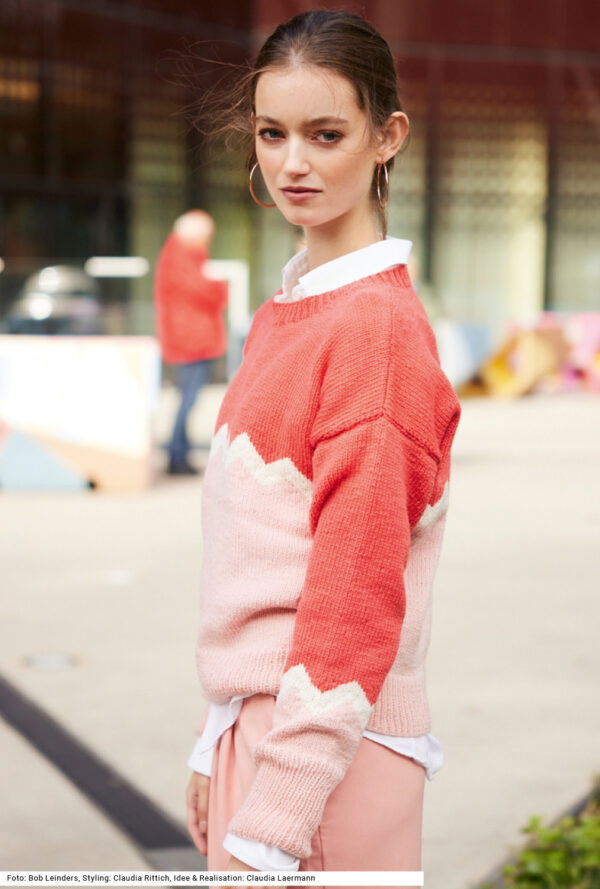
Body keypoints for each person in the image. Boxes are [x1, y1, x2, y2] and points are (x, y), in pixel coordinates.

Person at [184, 10, 462, 882]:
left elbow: (356, 594)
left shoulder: (373, 333)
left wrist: (277, 815)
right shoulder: (290, 310)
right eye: (272, 133)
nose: (292, 162)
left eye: (326, 133)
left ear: (388, 138)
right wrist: (217, 733)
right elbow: (264, 564)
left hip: (326, 764)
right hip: (270, 734)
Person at [154, 210, 228, 475]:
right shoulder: (181, 256)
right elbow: (206, 291)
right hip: (191, 339)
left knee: (187, 399)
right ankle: (176, 455)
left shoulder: (181, 254)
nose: (208, 240)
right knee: (187, 399)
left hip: (192, 337)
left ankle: (179, 454)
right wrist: (220, 287)